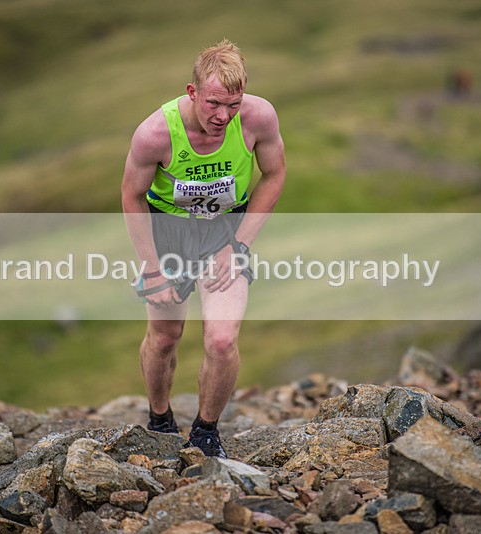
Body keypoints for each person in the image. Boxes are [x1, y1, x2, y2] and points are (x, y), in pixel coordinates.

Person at [121, 39, 286, 458]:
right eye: (214, 103)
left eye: (233, 104)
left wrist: (240, 245)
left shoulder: (259, 118)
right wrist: (152, 268)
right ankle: (160, 419)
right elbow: (132, 196)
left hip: (224, 234)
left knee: (221, 340)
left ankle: (206, 432)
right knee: (164, 337)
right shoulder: (155, 134)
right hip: (167, 234)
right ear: (192, 92)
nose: (223, 116)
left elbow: (275, 174)